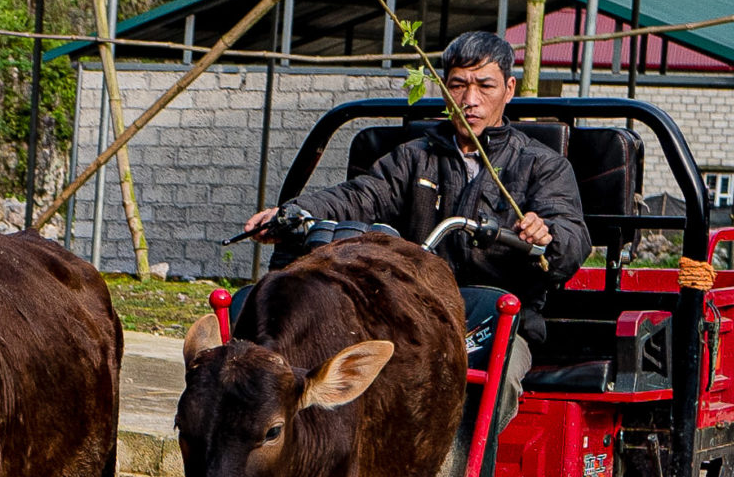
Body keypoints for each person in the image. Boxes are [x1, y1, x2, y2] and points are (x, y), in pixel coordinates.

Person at [244, 29, 589, 369]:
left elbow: (571, 238)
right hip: (414, 315)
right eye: (458, 85)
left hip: (501, 321)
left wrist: (547, 236)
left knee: (503, 374)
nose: (470, 99)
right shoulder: (414, 157)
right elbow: (359, 196)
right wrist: (294, 212)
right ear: (444, 88)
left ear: (508, 89)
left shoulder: (540, 164)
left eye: (485, 86)